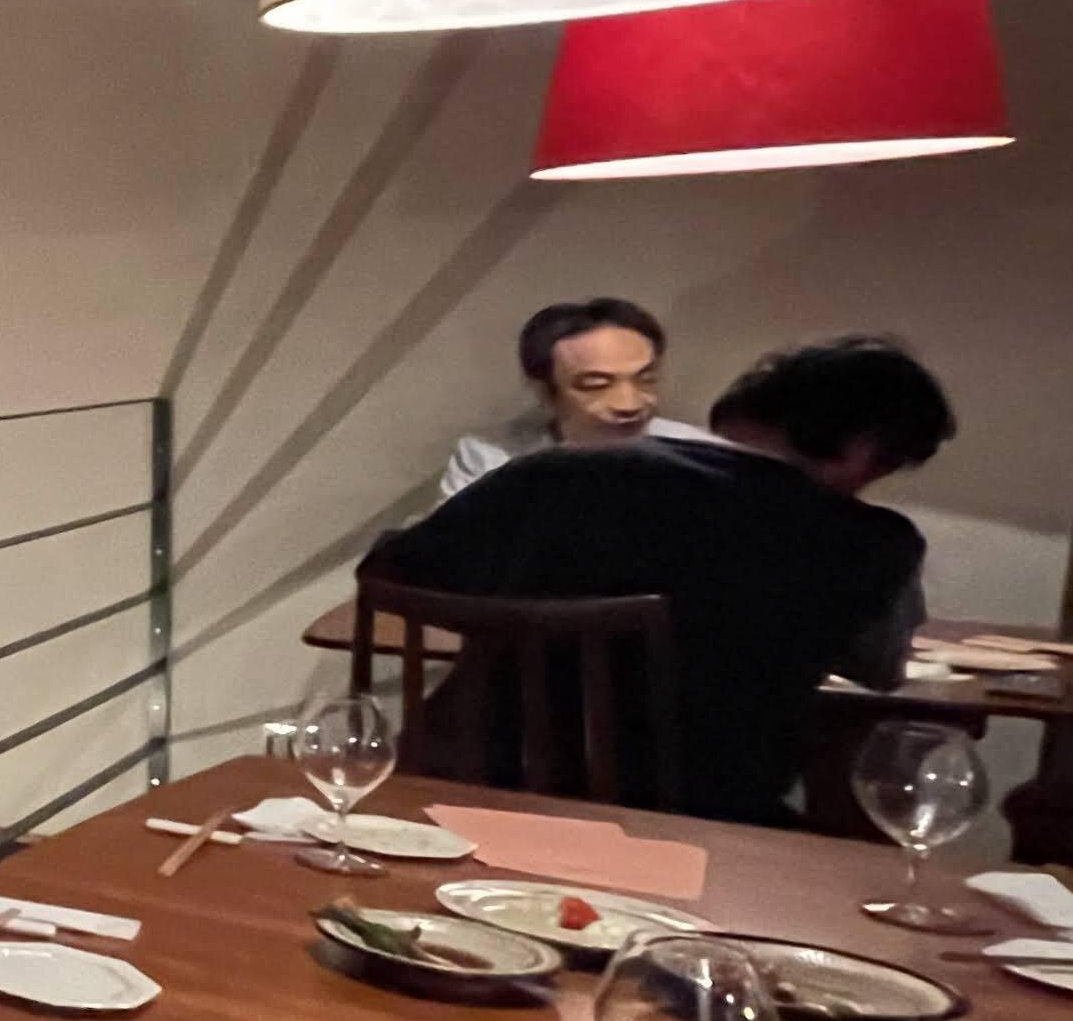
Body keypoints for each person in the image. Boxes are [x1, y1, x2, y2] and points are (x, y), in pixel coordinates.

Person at [369, 336, 951, 824]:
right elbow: (880, 670)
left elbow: (392, 570)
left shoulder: (564, 470)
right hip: (706, 814)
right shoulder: (873, 543)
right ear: (865, 451)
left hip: (470, 777)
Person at [438, 296, 709, 499]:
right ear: (545, 391)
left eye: (646, 379)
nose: (629, 404)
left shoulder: (704, 455)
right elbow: (449, 548)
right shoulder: (490, 459)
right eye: (596, 385)